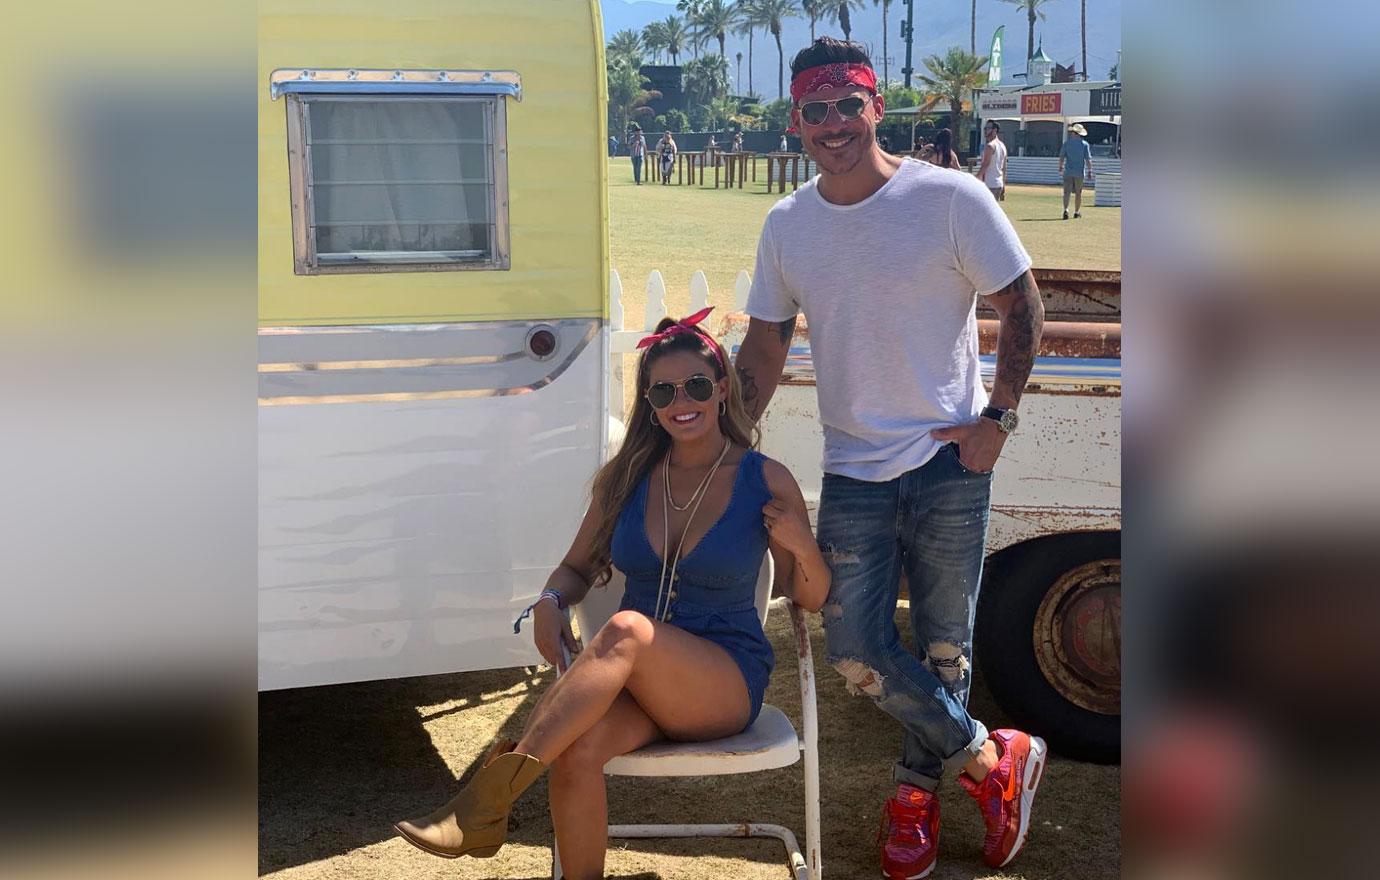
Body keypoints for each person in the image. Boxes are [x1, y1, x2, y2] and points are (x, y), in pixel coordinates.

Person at [734, 37, 1048, 880]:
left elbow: (1021, 302)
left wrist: (999, 419)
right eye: (815, 109)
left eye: (848, 104)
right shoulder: (788, 224)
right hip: (854, 468)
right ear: (795, 120)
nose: (833, 123)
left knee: (946, 650)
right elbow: (764, 344)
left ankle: (914, 798)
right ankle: (993, 758)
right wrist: (728, 436)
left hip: (950, 461)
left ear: (877, 106)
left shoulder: (946, 197)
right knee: (858, 651)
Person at [393, 309, 830, 880]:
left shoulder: (764, 479)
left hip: (722, 682)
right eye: (664, 391)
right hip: (637, 687)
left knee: (625, 628)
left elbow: (812, 597)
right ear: (649, 402)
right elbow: (575, 568)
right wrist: (550, 601)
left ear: (721, 389)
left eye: (697, 385)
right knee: (576, 749)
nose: (683, 400)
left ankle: (485, 803)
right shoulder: (628, 479)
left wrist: (804, 545)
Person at [1058, 122, 1094, 219]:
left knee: (1066, 192)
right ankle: (1077, 212)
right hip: (1079, 172)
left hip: (1068, 171)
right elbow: (1088, 159)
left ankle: (1065, 210)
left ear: (1074, 133)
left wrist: (1060, 166)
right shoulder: (1084, 145)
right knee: (1078, 193)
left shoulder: (1066, 144)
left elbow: (1062, 157)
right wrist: (1090, 170)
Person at [977, 120, 1009, 201]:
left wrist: (976, 178)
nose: (985, 131)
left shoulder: (990, 146)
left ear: (995, 130)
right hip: (998, 184)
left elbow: (985, 165)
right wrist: (1003, 184)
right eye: (985, 128)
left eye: (988, 128)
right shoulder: (1003, 146)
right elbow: (1004, 168)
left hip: (989, 184)